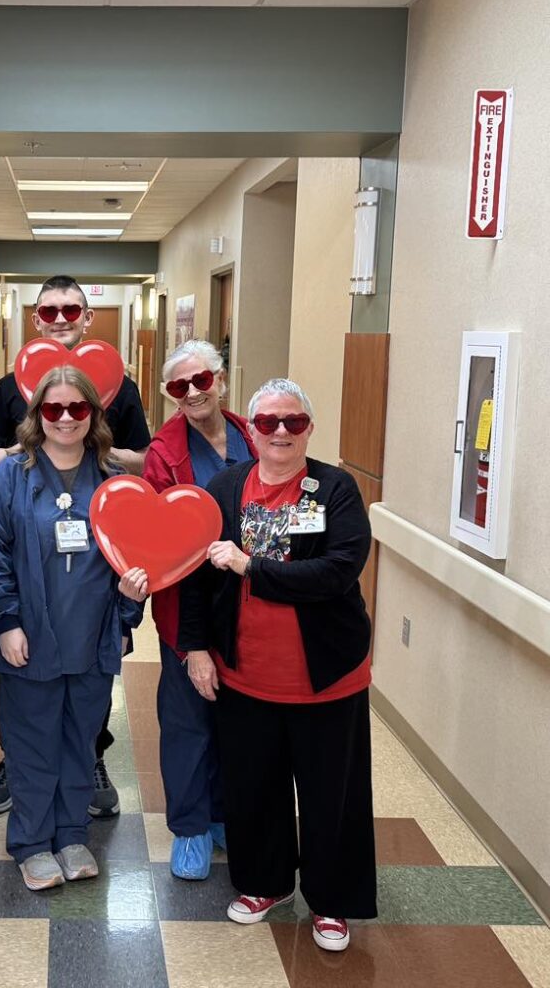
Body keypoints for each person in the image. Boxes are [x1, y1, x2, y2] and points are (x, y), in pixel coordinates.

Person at [177, 377, 376, 953]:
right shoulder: (225, 486)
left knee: (328, 796)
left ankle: (331, 901)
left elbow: (338, 571)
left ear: (309, 429)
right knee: (253, 789)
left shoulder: (335, 490)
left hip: (325, 679)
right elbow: (194, 574)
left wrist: (250, 568)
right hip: (245, 675)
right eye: (268, 423)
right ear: (252, 430)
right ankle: (265, 884)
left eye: (293, 422)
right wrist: (195, 649)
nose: (281, 433)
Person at [0, 275, 151, 817]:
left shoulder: (122, 389)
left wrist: (95, 464)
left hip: (93, 591)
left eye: (71, 308)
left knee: (85, 701)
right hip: (31, 544)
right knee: (30, 703)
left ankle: (89, 765)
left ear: (86, 315)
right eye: (49, 309)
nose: (60, 317)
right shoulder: (9, 390)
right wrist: (39, 456)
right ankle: (19, 770)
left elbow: (143, 463)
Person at [142, 339, 256, 881]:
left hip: (250, 605)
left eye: (201, 382)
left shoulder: (254, 435)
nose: (191, 393)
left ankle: (221, 815)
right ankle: (189, 828)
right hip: (185, 607)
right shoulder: (164, 453)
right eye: (178, 387)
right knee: (188, 720)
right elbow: (165, 545)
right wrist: (191, 643)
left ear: (221, 379)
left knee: (233, 720)